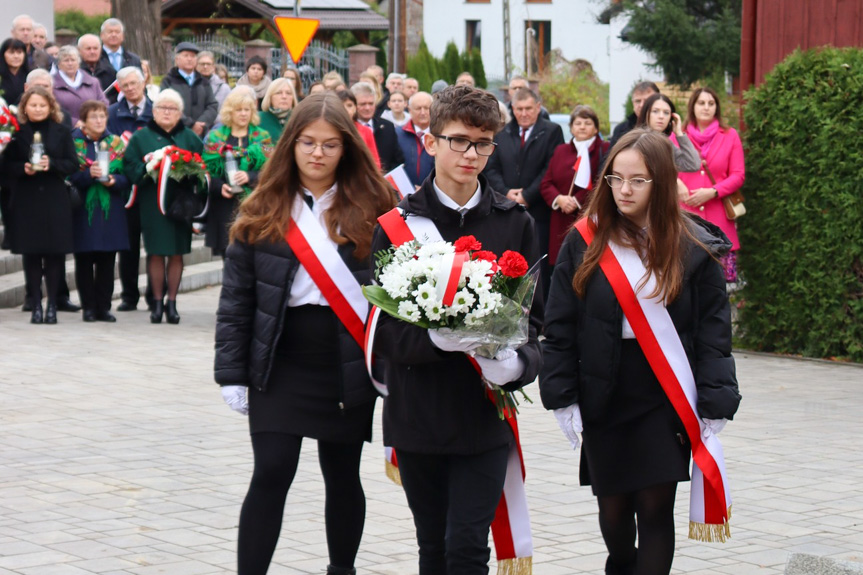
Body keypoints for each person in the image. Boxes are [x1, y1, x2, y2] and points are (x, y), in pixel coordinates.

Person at [539, 128, 741, 575]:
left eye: (638, 180)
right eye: (616, 178)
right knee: (614, 515)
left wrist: (716, 399)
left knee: (653, 509)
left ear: (662, 182)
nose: (624, 190)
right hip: (603, 389)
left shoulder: (695, 246)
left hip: (664, 391)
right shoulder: (583, 240)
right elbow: (559, 327)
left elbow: (712, 335)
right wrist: (562, 395)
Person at [214, 92, 395, 575]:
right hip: (280, 356)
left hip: (345, 358)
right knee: (271, 471)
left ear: (346, 148)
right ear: (290, 144)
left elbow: (397, 288)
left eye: (331, 145)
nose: (318, 153)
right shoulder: (262, 206)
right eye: (308, 142)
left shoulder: (375, 207)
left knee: (341, 474)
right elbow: (236, 302)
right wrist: (231, 374)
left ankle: (342, 570)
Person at [369, 84, 543, 574]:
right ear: (431, 142)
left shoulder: (516, 225)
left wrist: (519, 365)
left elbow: (537, 325)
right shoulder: (398, 225)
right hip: (418, 412)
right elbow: (381, 334)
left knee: (467, 549)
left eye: (484, 143)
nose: (471, 154)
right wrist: (433, 339)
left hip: (482, 417)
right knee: (434, 550)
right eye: (460, 140)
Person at [123, 89, 205, 324]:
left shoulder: (189, 137)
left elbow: (202, 166)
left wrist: (188, 172)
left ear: (180, 113)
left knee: (177, 252)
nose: (167, 113)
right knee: (156, 251)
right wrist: (150, 169)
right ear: (154, 111)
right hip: (152, 204)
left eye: (172, 109)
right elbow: (130, 167)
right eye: (162, 108)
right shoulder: (142, 137)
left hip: (181, 204)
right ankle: (156, 303)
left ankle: (172, 302)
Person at [4, 87, 77, 324]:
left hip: (54, 198)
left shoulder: (62, 131)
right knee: (32, 253)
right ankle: (35, 304)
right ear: (25, 107)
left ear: (51, 107)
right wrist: (22, 168)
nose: (38, 109)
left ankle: (52, 305)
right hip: (27, 199)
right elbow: (4, 167)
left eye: (42, 105)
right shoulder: (15, 132)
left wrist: (52, 163)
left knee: (55, 254)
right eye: (33, 105)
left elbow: (72, 164)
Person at [483, 87, 563, 299]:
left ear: (538, 107)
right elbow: (491, 168)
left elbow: (550, 168)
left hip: (538, 210)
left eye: (528, 108)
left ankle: (540, 314)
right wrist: (506, 192)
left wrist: (527, 195)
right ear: (513, 109)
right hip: (507, 208)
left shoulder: (552, 131)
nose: (524, 113)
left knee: (539, 265)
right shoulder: (503, 133)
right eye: (519, 109)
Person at [68, 100, 130, 322]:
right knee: (84, 260)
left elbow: (128, 177)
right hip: (83, 209)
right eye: (93, 116)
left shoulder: (116, 143)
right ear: (83, 120)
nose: (99, 121)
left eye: (102, 116)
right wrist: (88, 175)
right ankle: (88, 307)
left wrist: (113, 180)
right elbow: (67, 175)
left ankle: (104, 307)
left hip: (110, 209)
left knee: (107, 260)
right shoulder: (74, 143)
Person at [678, 87, 745, 285]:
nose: (706, 107)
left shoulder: (730, 135)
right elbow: (662, 166)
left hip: (719, 222)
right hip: (686, 220)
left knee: (718, 288)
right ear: (693, 107)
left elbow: (738, 175)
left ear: (716, 108)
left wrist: (713, 191)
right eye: (701, 103)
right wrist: (675, 181)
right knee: (686, 284)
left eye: (711, 103)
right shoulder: (678, 136)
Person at [107, 66, 155, 312]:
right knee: (128, 245)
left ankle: (156, 296)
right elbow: (108, 144)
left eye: (134, 83)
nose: (130, 89)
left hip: (152, 188)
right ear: (120, 88)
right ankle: (129, 295)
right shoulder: (112, 113)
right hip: (125, 190)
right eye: (125, 85)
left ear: (143, 82)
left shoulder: (157, 109)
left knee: (155, 246)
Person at [203, 88, 271, 256]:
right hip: (225, 206)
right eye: (238, 110)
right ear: (229, 112)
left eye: (247, 110)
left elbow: (271, 170)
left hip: (254, 204)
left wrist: (250, 176)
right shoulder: (215, 137)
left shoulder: (262, 137)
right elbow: (206, 171)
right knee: (229, 255)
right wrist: (220, 187)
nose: (243, 114)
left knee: (253, 253)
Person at [540, 104, 610, 269]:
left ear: (595, 128)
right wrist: (559, 199)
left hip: (588, 217)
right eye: (578, 123)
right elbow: (546, 182)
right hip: (560, 217)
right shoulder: (561, 150)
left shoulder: (605, 149)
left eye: (587, 123)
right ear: (571, 128)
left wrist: (577, 201)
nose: (582, 127)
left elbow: (602, 182)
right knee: (562, 267)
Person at [160, 42, 218, 138]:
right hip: (175, 132)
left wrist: (201, 123)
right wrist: (190, 124)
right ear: (177, 59)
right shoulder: (168, 81)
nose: (189, 59)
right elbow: (165, 105)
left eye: (193, 56)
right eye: (186, 55)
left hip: (200, 134)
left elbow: (212, 105)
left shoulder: (203, 82)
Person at [636, 93, 700, 171]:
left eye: (666, 113)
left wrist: (679, 134)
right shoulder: (635, 141)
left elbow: (693, 164)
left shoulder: (667, 145)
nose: (661, 116)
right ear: (646, 113)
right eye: (655, 111)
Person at [352, 81, 404, 172]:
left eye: (371, 103)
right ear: (354, 105)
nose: (368, 108)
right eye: (363, 104)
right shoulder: (349, 128)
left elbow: (398, 160)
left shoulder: (388, 127)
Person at [52, 45, 109, 126]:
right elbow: (52, 109)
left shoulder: (92, 82)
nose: (70, 63)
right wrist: (74, 122)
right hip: (64, 129)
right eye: (66, 60)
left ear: (79, 62)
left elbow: (104, 104)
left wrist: (93, 121)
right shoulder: (52, 83)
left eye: (73, 60)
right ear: (59, 64)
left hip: (92, 128)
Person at [97, 18, 142, 103]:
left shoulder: (134, 59)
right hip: (103, 105)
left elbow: (141, 84)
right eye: (110, 32)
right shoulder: (95, 59)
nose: (114, 35)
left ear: (123, 36)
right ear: (101, 35)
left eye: (117, 32)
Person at [395, 91, 434, 187]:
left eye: (426, 108)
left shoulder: (440, 135)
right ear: (409, 110)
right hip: (404, 194)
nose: (423, 112)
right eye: (418, 108)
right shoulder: (397, 134)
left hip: (433, 194)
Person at [336, 88, 381, 169]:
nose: (346, 109)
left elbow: (375, 162)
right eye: (342, 105)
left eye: (349, 105)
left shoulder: (365, 131)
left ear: (355, 108)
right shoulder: (331, 130)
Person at [610, 81, 660, 147]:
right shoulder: (620, 131)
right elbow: (611, 156)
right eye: (638, 101)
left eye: (647, 100)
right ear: (633, 103)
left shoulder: (668, 129)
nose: (642, 105)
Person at [257, 77, 296, 141]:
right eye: (279, 93)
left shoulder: (298, 119)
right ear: (270, 97)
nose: (284, 96)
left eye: (288, 93)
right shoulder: (259, 119)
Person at [0, 38, 30, 106]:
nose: (16, 56)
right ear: (3, 54)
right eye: (11, 52)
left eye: (19, 52)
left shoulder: (30, 75)